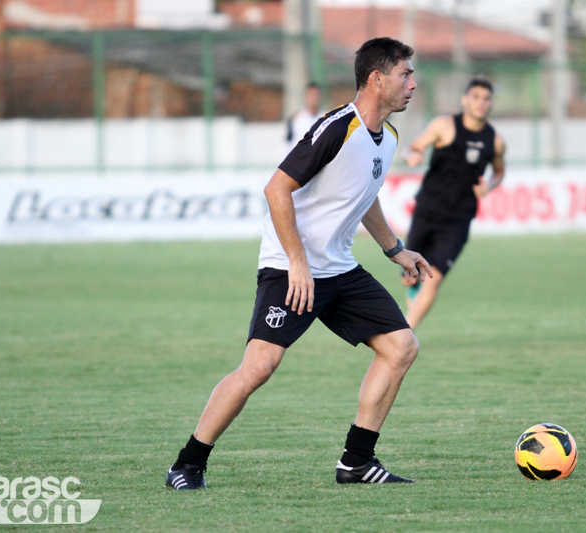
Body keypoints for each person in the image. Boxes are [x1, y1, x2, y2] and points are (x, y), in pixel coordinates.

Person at [166, 37, 431, 490]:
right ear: (376, 78)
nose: (413, 84)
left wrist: (394, 249)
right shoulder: (336, 128)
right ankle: (187, 465)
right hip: (290, 268)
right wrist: (297, 262)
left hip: (338, 267)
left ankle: (356, 462)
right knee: (259, 367)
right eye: (405, 74)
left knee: (401, 347)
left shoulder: (387, 137)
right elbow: (276, 189)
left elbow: (364, 196)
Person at [402, 77, 506, 330]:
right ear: (465, 100)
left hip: (458, 219)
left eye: (486, 99)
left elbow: (499, 172)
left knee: (433, 278)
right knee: (410, 277)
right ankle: (409, 313)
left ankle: (404, 335)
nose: (481, 103)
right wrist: (413, 156)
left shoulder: (494, 140)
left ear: (491, 104)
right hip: (427, 211)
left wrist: (489, 185)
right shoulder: (444, 126)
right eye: (476, 97)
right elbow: (411, 148)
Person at [285, 82, 324, 152]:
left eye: (316, 95)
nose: (313, 98)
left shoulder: (326, 118)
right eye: (311, 95)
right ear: (305, 97)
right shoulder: (296, 119)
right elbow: (288, 143)